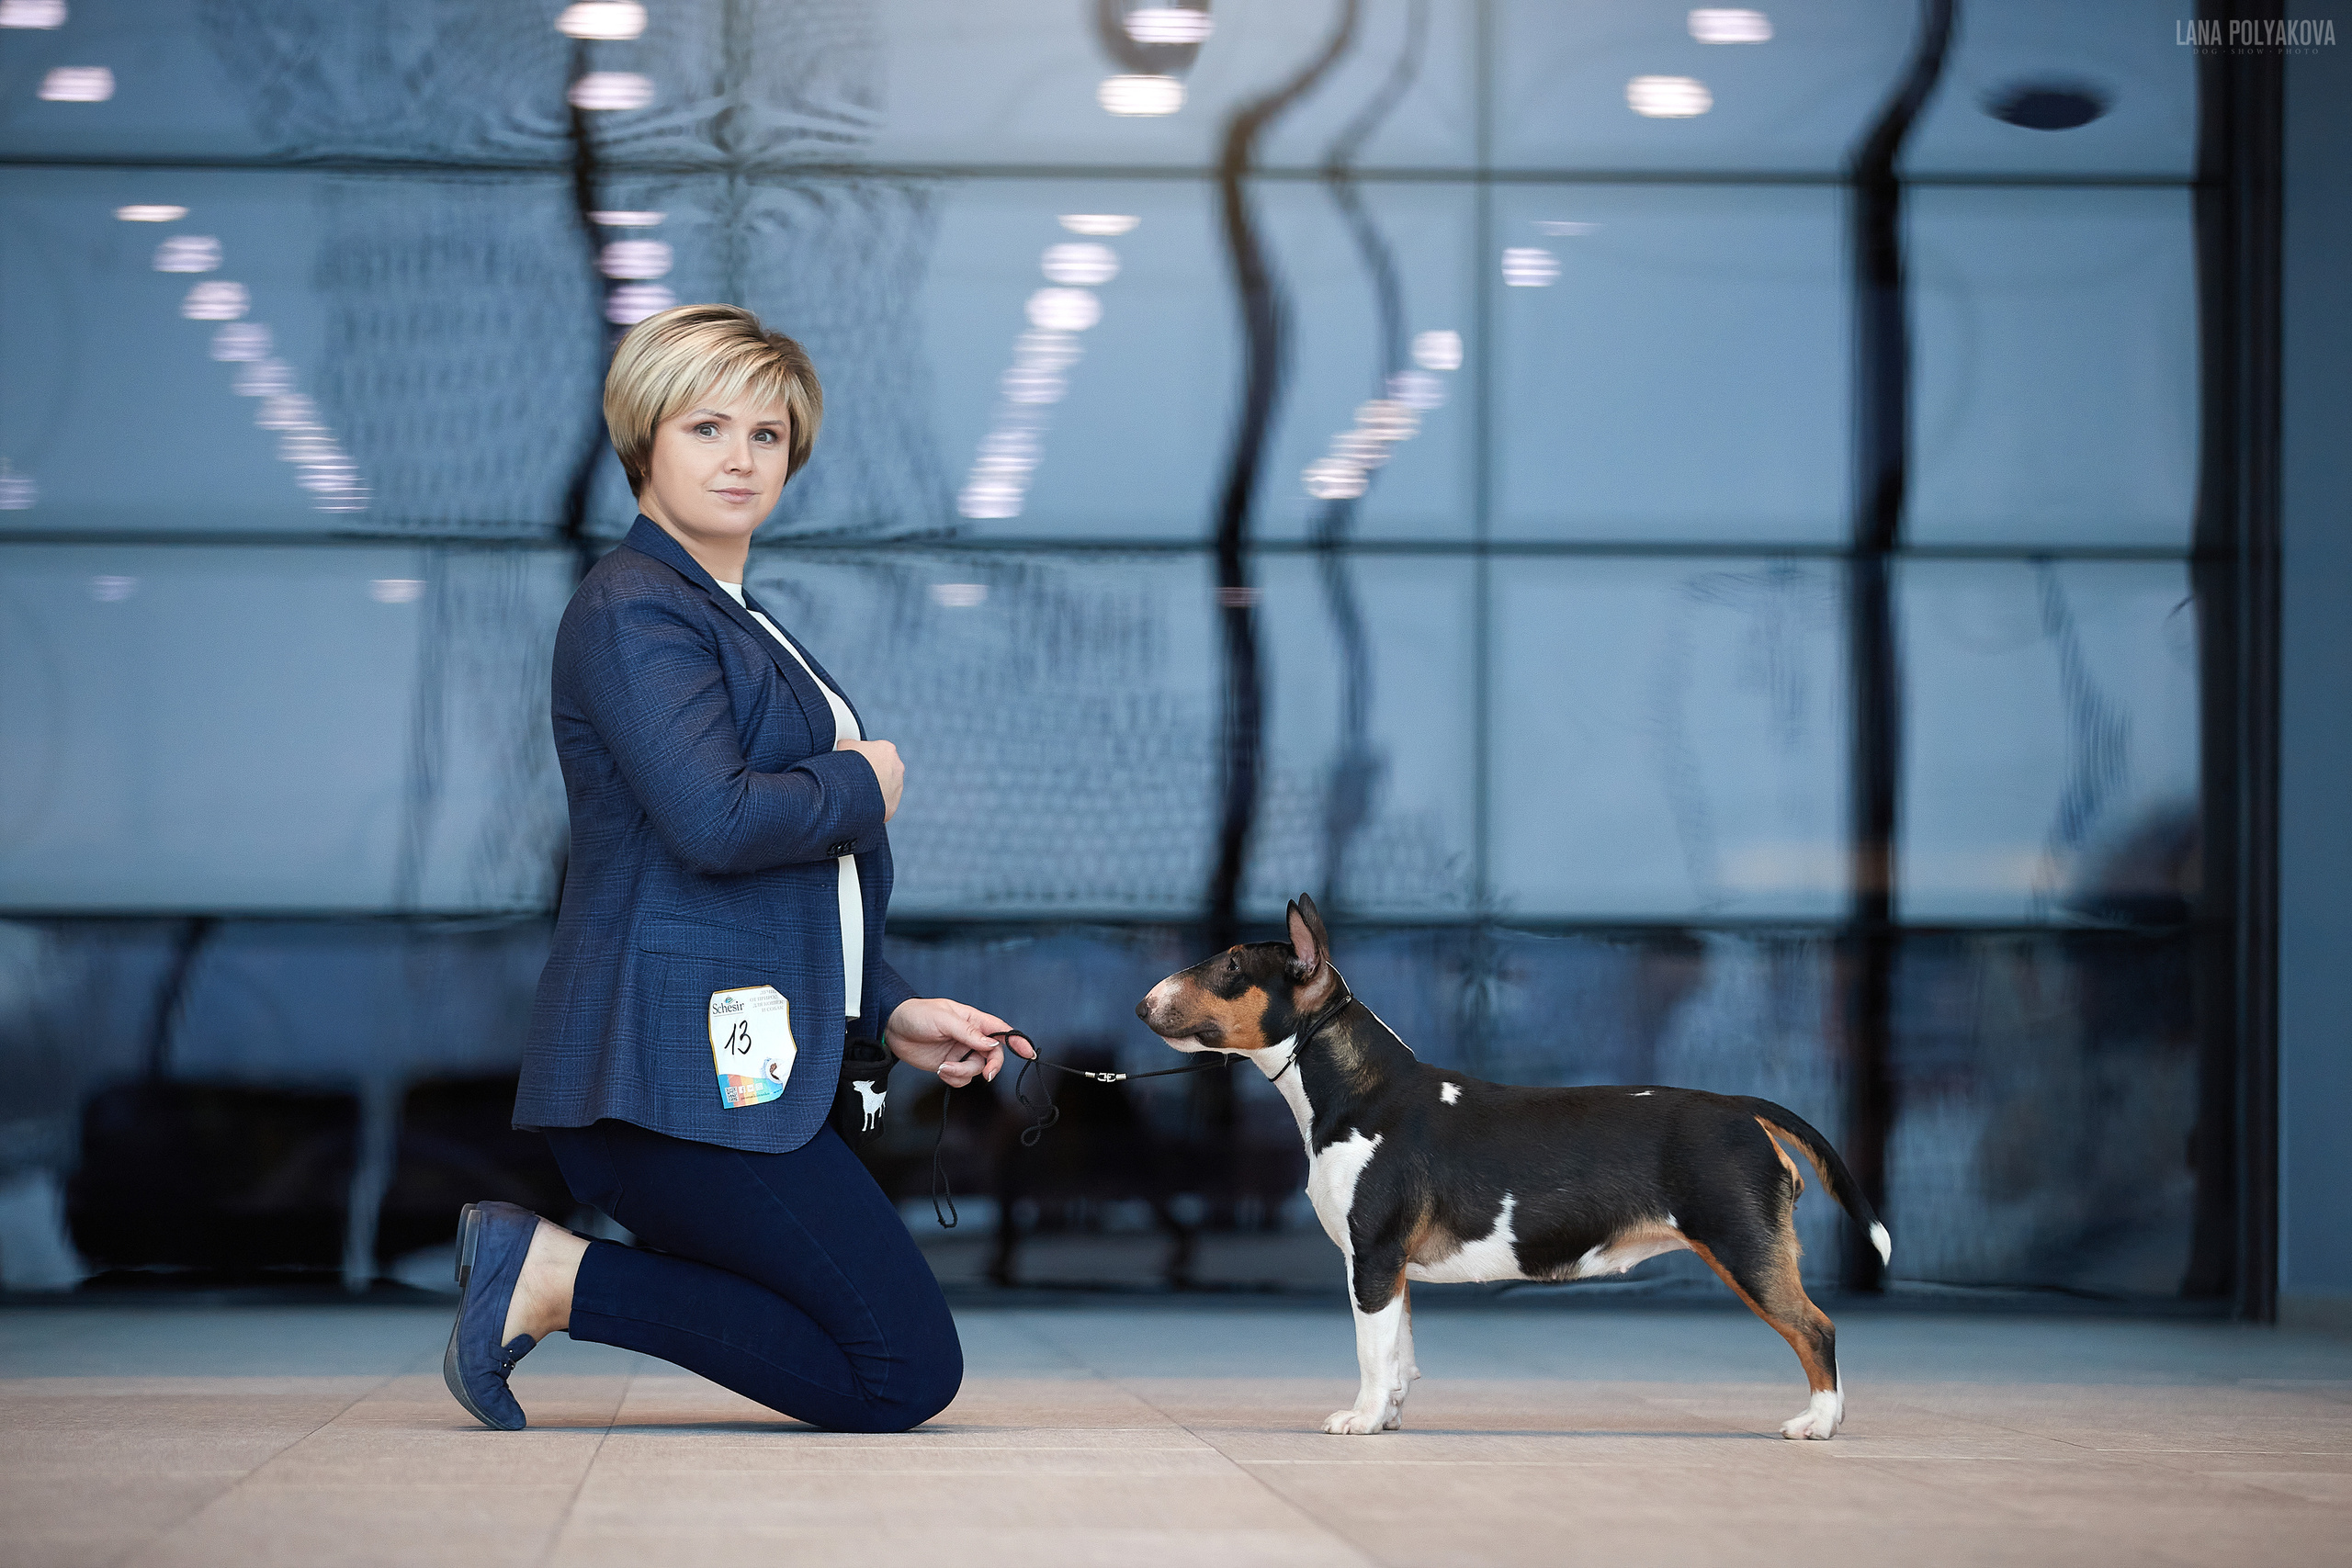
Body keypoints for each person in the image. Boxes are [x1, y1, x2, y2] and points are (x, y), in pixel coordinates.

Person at [443, 302, 1030, 1434]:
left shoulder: (731, 615)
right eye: (706, 427)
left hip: (718, 1071)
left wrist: (889, 1013)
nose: (739, 457)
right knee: (901, 1371)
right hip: (656, 1081)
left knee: (887, 1357)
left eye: (766, 435)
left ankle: (550, 1277)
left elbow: (778, 886)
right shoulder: (633, 610)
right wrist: (865, 783)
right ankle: (551, 1280)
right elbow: (712, 825)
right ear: (644, 442)